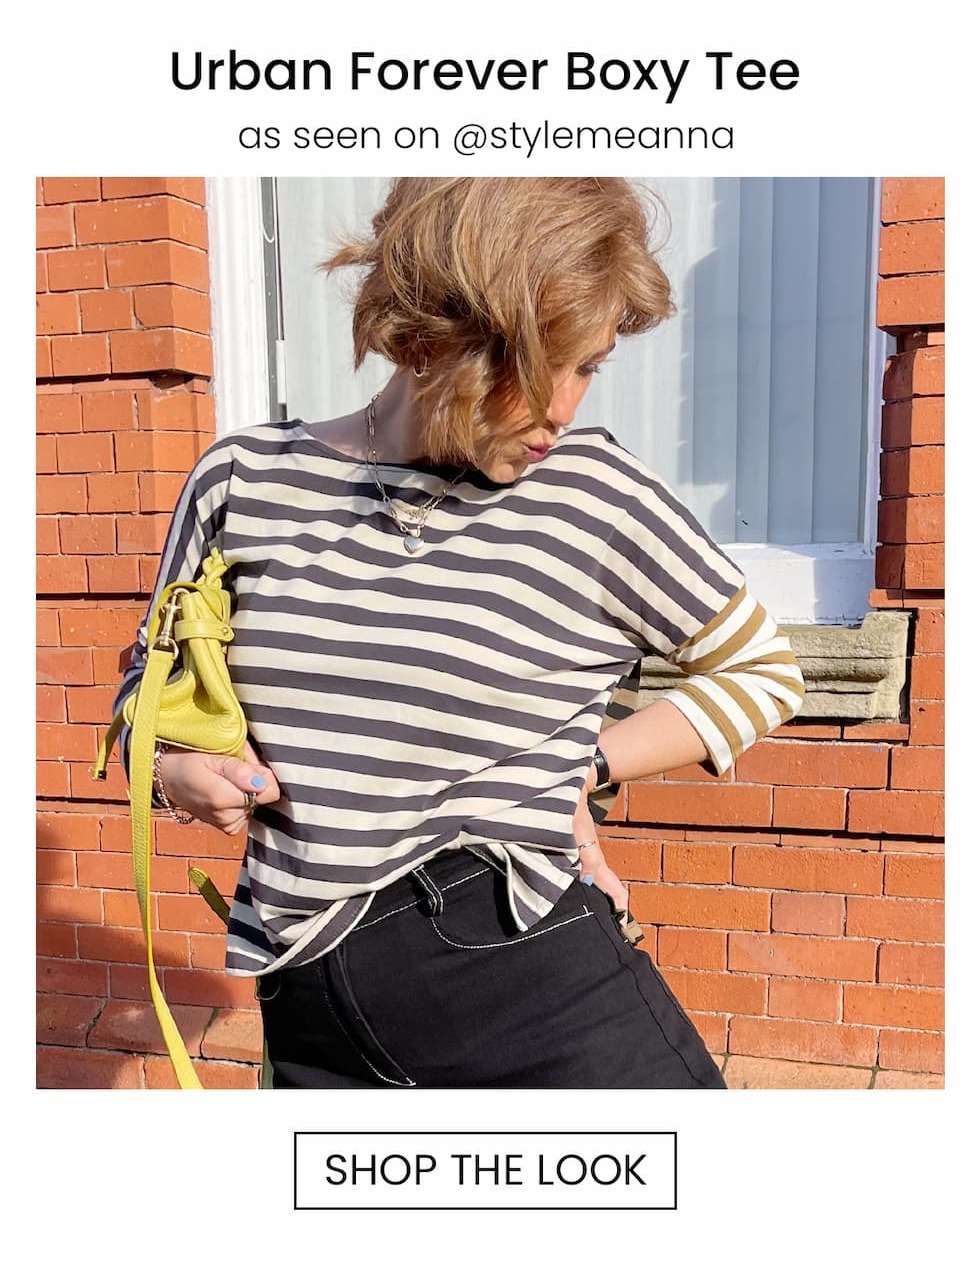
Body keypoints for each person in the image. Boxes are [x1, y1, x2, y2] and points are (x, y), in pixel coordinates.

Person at [113, 177, 805, 1089]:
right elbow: (145, 690)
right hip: (306, 991)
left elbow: (762, 670)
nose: (563, 406)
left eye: (588, 365)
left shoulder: (593, 494)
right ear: (427, 334)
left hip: (520, 963)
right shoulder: (243, 479)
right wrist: (175, 770)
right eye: (539, 363)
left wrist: (583, 767)